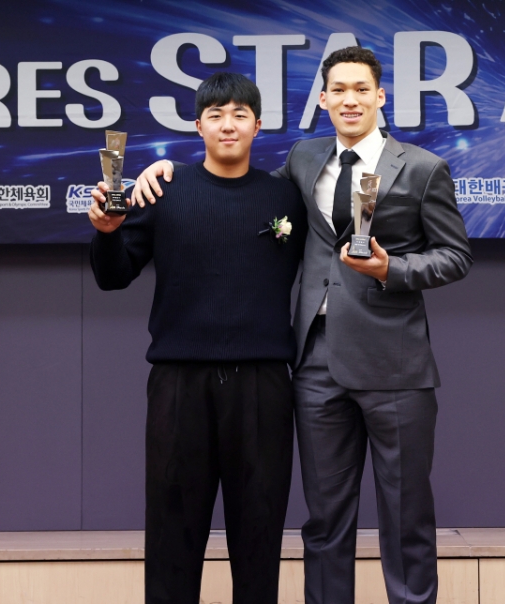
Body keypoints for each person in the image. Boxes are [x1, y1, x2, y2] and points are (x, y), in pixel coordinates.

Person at [131, 47, 472, 604]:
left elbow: (455, 256)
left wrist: (391, 269)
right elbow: (237, 188)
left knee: (405, 518)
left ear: (380, 96)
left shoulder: (422, 168)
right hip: (314, 364)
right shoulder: (304, 159)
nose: (350, 100)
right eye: (338, 90)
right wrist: (163, 170)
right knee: (324, 523)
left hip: (394, 364)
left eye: (360, 89)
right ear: (323, 99)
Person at [89, 72, 307, 604]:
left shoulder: (287, 197)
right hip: (178, 385)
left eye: (239, 115)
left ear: (258, 125)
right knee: (171, 536)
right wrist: (106, 234)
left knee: (259, 537)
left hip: (263, 386)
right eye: (216, 115)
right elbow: (113, 276)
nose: (228, 125)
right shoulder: (163, 190)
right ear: (198, 126)